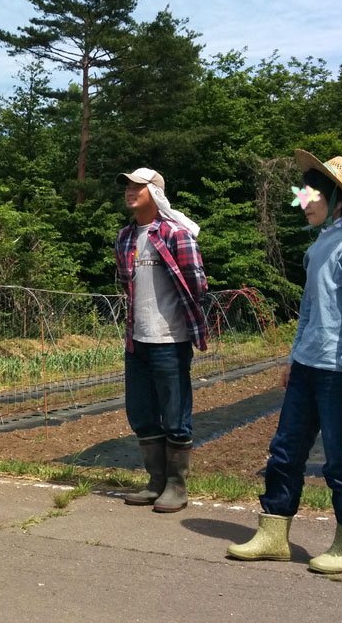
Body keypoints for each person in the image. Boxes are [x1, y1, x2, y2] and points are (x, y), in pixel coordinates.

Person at [227, 151, 342, 574]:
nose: (304, 202)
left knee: (340, 460)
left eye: (311, 195)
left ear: (336, 198)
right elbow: (310, 311)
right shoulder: (320, 244)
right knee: (284, 452)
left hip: (338, 374)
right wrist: (294, 359)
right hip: (308, 368)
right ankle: (273, 535)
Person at [114, 168, 208, 513]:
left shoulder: (175, 234)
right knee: (140, 411)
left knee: (175, 412)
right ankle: (155, 481)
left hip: (169, 338)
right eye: (127, 186)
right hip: (136, 339)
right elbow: (127, 285)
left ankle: (176, 484)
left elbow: (198, 284)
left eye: (137, 186)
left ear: (154, 192)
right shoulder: (124, 238)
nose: (129, 191)